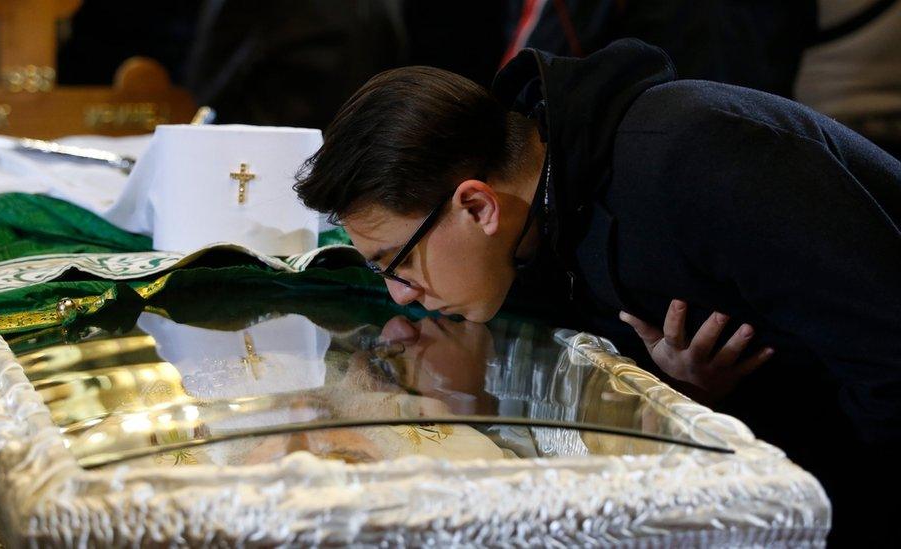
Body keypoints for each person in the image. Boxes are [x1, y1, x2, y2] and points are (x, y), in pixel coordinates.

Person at [294, 38, 901, 541]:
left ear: (476, 206)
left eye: (395, 263)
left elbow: (888, 357)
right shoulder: (541, 220)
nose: (402, 296)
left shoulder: (695, 156)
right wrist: (682, 392)